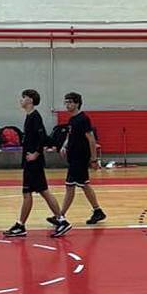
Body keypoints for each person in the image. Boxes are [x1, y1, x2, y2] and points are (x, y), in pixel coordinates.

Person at [3, 89, 63, 238]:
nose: (21, 100)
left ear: (30, 100)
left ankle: (23, 225)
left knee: (31, 192)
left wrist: (36, 154)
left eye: (23, 97)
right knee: (40, 191)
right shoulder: (29, 116)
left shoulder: (35, 117)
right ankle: (59, 220)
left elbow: (42, 137)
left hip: (34, 162)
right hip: (30, 161)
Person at [51, 92, 105, 237]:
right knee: (84, 184)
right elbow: (70, 135)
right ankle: (98, 211)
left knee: (70, 186)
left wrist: (93, 159)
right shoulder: (72, 119)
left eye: (70, 102)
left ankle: (60, 216)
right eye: (66, 102)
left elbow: (91, 139)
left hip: (80, 158)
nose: (67, 105)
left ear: (77, 103)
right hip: (73, 156)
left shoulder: (83, 119)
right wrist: (64, 146)